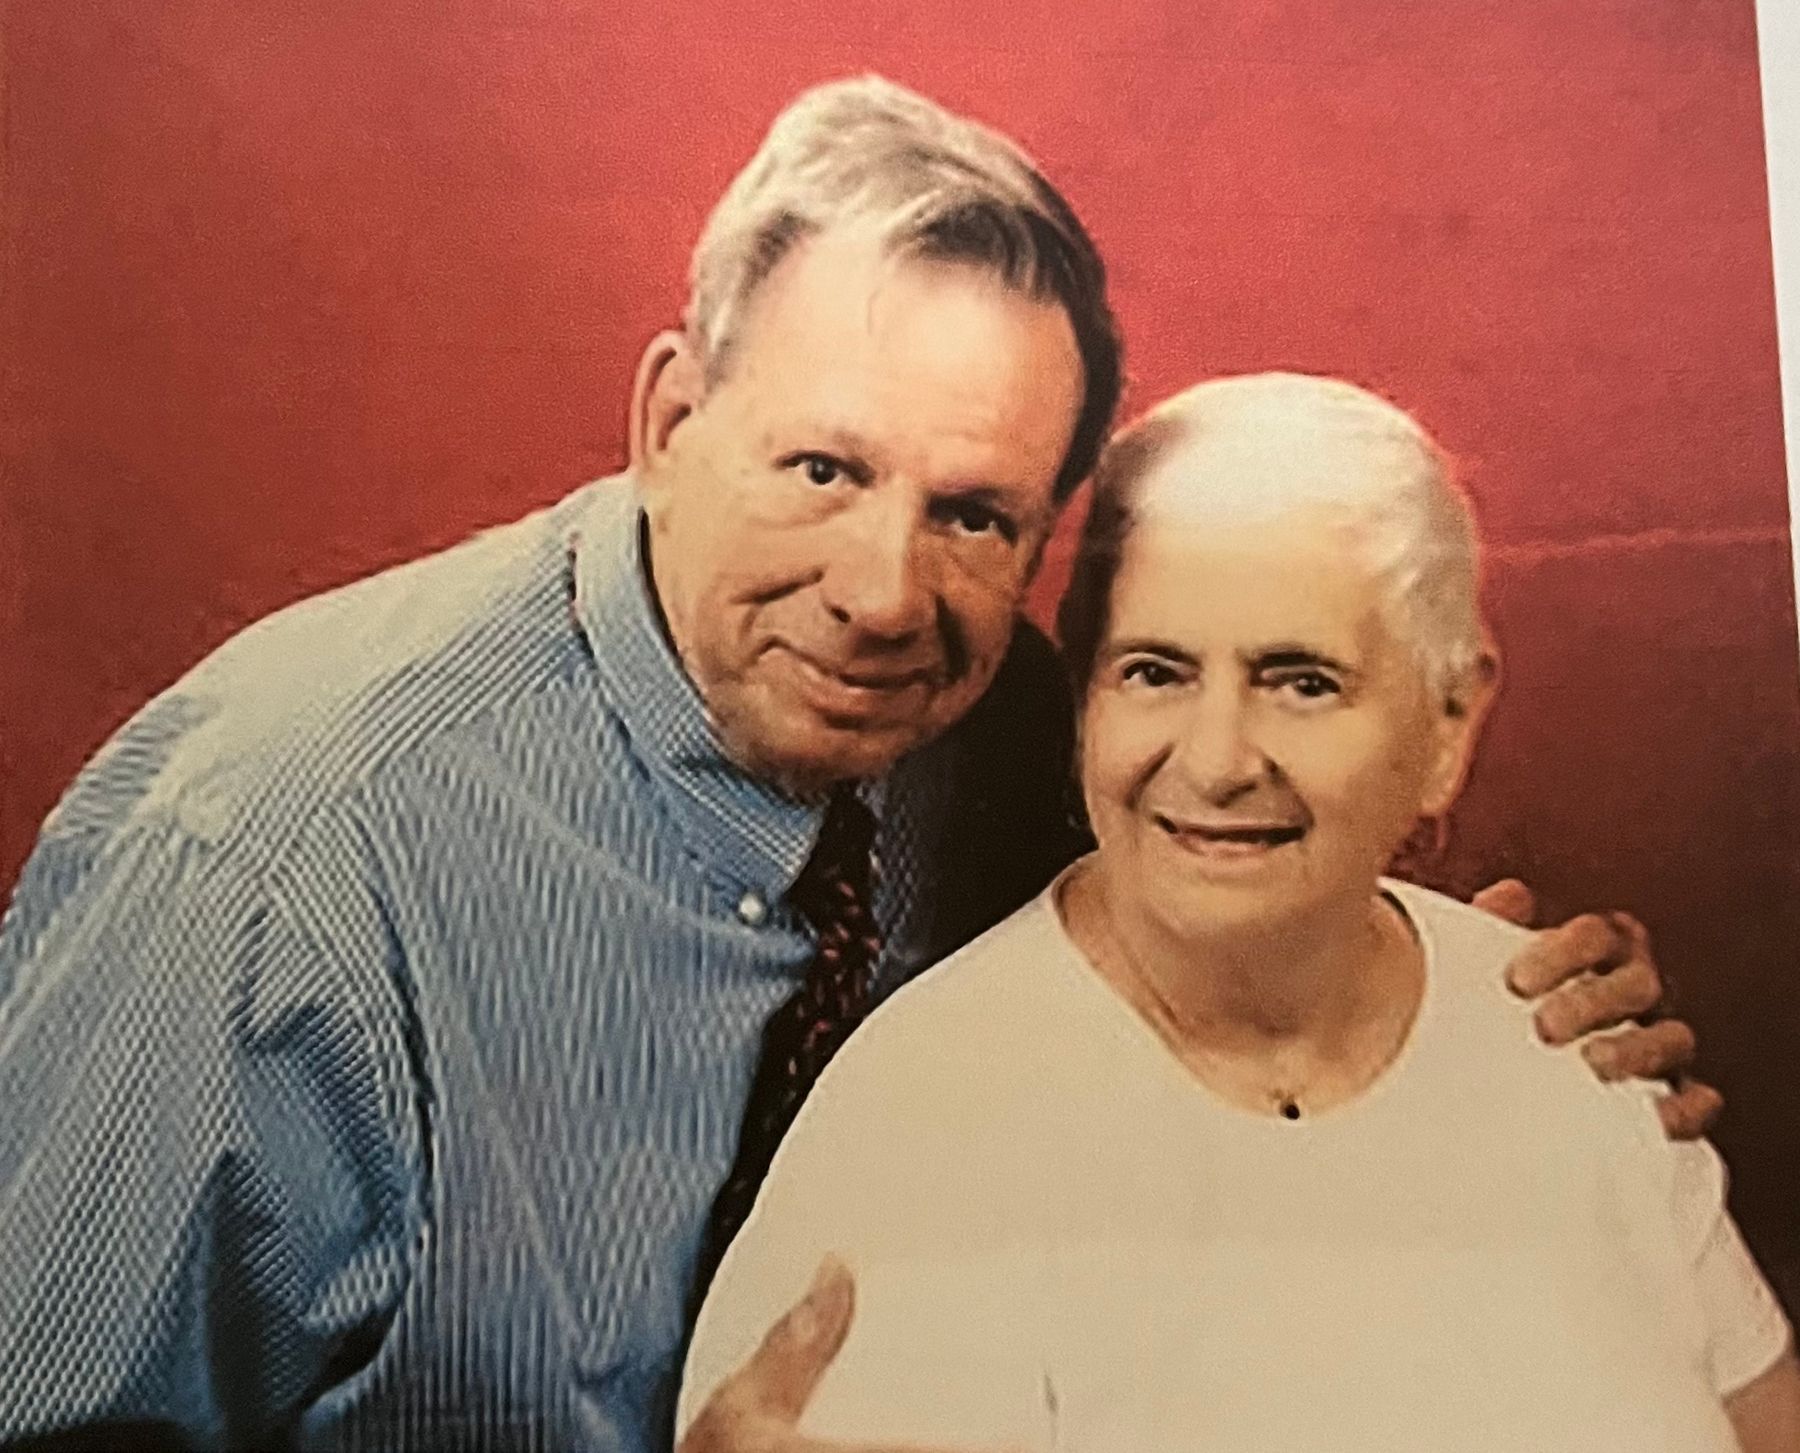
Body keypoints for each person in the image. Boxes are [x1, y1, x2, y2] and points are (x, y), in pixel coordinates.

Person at [0, 80, 1704, 1453]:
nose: (886, 594)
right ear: (672, 422)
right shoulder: (267, 865)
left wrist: (1507, 1032)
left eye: (975, 513)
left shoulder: (1007, 727)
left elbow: (1227, 951)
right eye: (823, 467)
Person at [677, 373, 1799, 1452]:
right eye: (1155, 671)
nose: (1215, 762)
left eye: (1301, 680)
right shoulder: (928, 1129)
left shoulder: (1567, 1029)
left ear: (1449, 720)